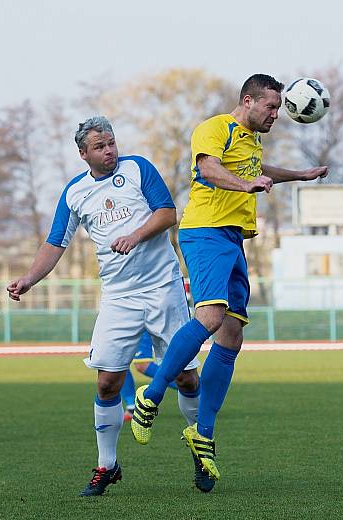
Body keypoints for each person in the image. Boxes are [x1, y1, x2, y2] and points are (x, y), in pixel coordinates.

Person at [130, 74, 328, 491]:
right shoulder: (215, 128)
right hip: (205, 231)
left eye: (279, 108)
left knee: (232, 335)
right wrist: (246, 184)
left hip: (234, 237)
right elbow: (209, 169)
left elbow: (258, 170)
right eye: (271, 107)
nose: (277, 115)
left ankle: (202, 432)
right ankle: (153, 393)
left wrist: (301, 174)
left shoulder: (252, 141)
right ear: (248, 100)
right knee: (212, 316)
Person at [6, 116, 201, 497]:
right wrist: (29, 278)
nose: (109, 150)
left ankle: (199, 450)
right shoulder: (74, 192)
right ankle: (107, 466)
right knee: (107, 381)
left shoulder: (137, 168)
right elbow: (54, 244)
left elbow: (167, 213)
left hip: (164, 288)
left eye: (111, 142)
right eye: (99, 146)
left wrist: (135, 235)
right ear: (83, 154)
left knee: (187, 378)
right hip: (119, 296)